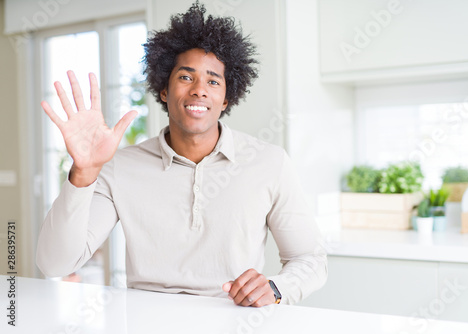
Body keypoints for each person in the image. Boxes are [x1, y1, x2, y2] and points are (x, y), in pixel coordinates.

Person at [36, 2, 327, 307]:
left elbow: (309, 258)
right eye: (186, 77)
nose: (199, 89)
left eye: (213, 81)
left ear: (226, 99)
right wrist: (84, 171)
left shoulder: (269, 162)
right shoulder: (119, 167)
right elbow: (55, 264)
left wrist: (276, 288)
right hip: (145, 322)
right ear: (164, 90)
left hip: (235, 321)